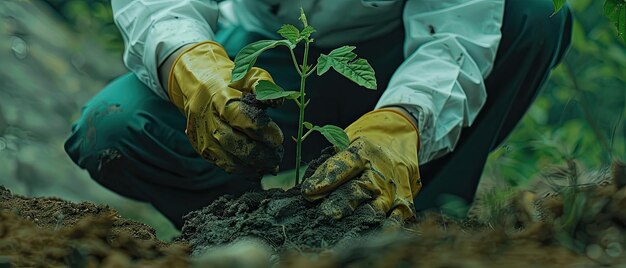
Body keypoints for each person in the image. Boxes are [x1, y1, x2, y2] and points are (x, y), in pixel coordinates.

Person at [65, 0, 572, 229]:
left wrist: (404, 123)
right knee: (114, 124)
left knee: (532, 13)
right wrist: (190, 63)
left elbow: (458, 31)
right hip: (267, 52)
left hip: (396, 56)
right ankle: (250, 232)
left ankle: (419, 227)